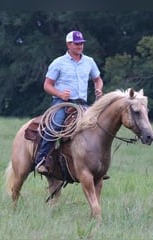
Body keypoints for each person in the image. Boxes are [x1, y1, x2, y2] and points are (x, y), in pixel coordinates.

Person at [35, 30, 104, 175]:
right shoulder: (58, 63)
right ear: (68, 44)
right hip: (62, 102)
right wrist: (60, 93)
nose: (80, 46)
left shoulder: (89, 62)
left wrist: (98, 89)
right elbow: (47, 85)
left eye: (81, 44)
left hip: (82, 103)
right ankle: (41, 159)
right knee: (55, 124)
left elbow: (97, 79)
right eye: (77, 43)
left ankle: (97, 164)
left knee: (97, 126)